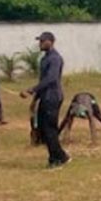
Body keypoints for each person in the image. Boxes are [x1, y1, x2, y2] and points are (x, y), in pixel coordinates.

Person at [21, 32, 70, 169]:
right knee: (43, 129)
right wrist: (35, 99)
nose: (40, 43)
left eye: (43, 41)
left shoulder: (55, 59)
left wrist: (32, 90)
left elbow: (51, 79)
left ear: (51, 42)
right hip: (45, 97)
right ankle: (60, 155)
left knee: (50, 129)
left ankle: (57, 159)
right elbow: (42, 80)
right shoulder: (45, 59)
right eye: (40, 41)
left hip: (53, 97)